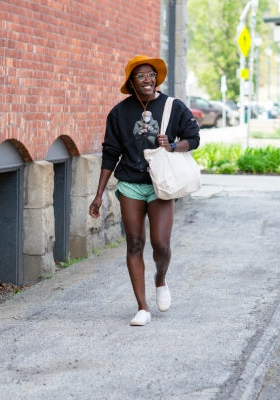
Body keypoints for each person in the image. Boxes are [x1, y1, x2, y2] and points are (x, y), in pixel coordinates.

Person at [89, 55, 200, 326]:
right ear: (131, 82)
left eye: (151, 74)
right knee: (135, 243)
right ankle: (142, 307)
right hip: (130, 184)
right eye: (141, 76)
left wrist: (172, 146)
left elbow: (194, 139)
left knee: (160, 244)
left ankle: (160, 278)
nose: (147, 79)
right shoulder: (119, 113)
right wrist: (99, 193)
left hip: (161, 184)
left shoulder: (173, 107)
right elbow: (110, 154)